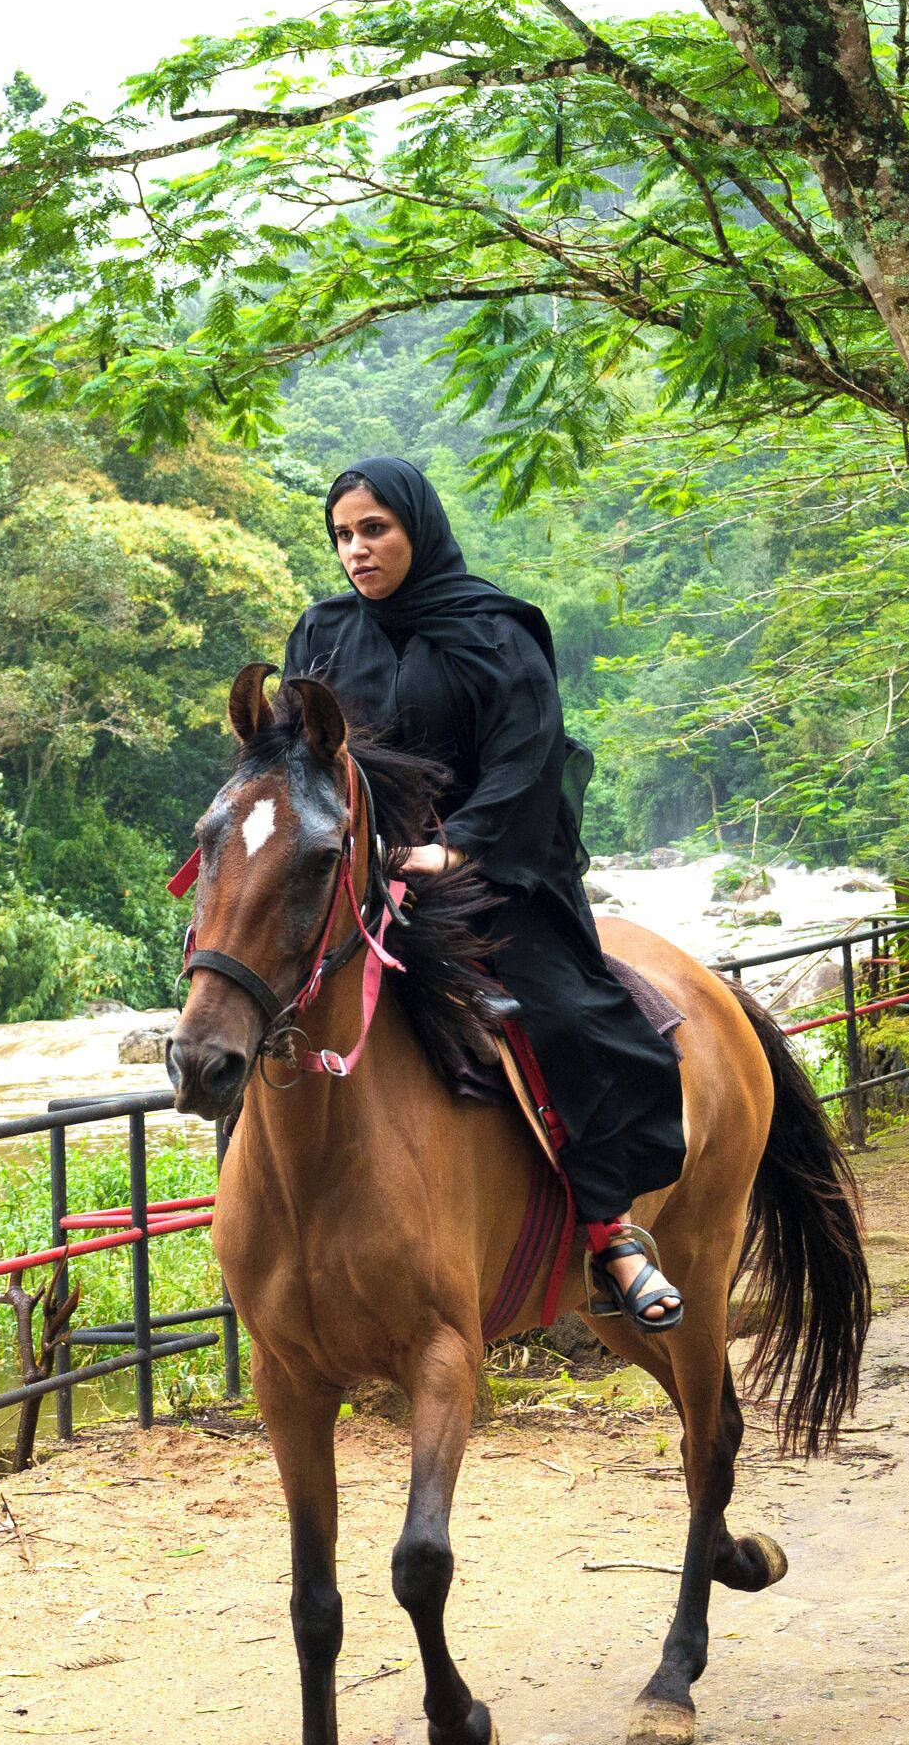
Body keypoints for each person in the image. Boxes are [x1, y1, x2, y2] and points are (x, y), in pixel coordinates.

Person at [284, 456, 692, 1331]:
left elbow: (528, 755)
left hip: (484, 878)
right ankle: (269, 1241)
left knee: (559, 1014)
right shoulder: (321, 636)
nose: (356, 551)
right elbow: (295, 761)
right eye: (343, 536)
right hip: (355, 884)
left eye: (374, 530)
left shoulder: (492, 629)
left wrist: (455, 848)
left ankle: (610, 1234)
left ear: (417, 528)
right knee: (253, 1009)